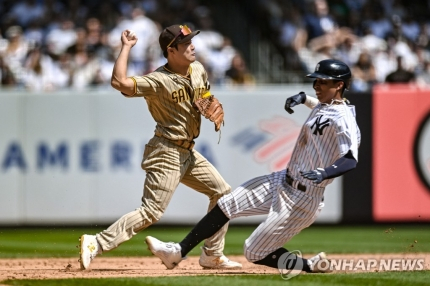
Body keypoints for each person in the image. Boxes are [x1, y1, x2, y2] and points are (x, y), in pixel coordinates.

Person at [146, 59, 361, 273]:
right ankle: (177, 251)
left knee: (253, 251)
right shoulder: (328, 105)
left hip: (303, 198)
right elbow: (323, 109)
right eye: (315, 82)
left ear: (339, 85)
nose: (317, 86)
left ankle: (310, 266)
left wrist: (325, 172)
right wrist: (304, 99)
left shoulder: (344, 118)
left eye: (322, 82)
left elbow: (350, 158)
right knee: (226, 203)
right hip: (283, 180)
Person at [78, 24, 242, 270]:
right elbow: (119, 82)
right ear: (171, 50)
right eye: (185, 43)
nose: (192, 46)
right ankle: (97, 242)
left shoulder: (197, 69)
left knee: (223, 193)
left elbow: (204, 94)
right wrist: (126, 47)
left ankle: (212, 254)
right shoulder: (158, 81)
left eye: (191, 41)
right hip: (166, 150)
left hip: (188, 152)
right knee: (151, 211)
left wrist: (209, 103)